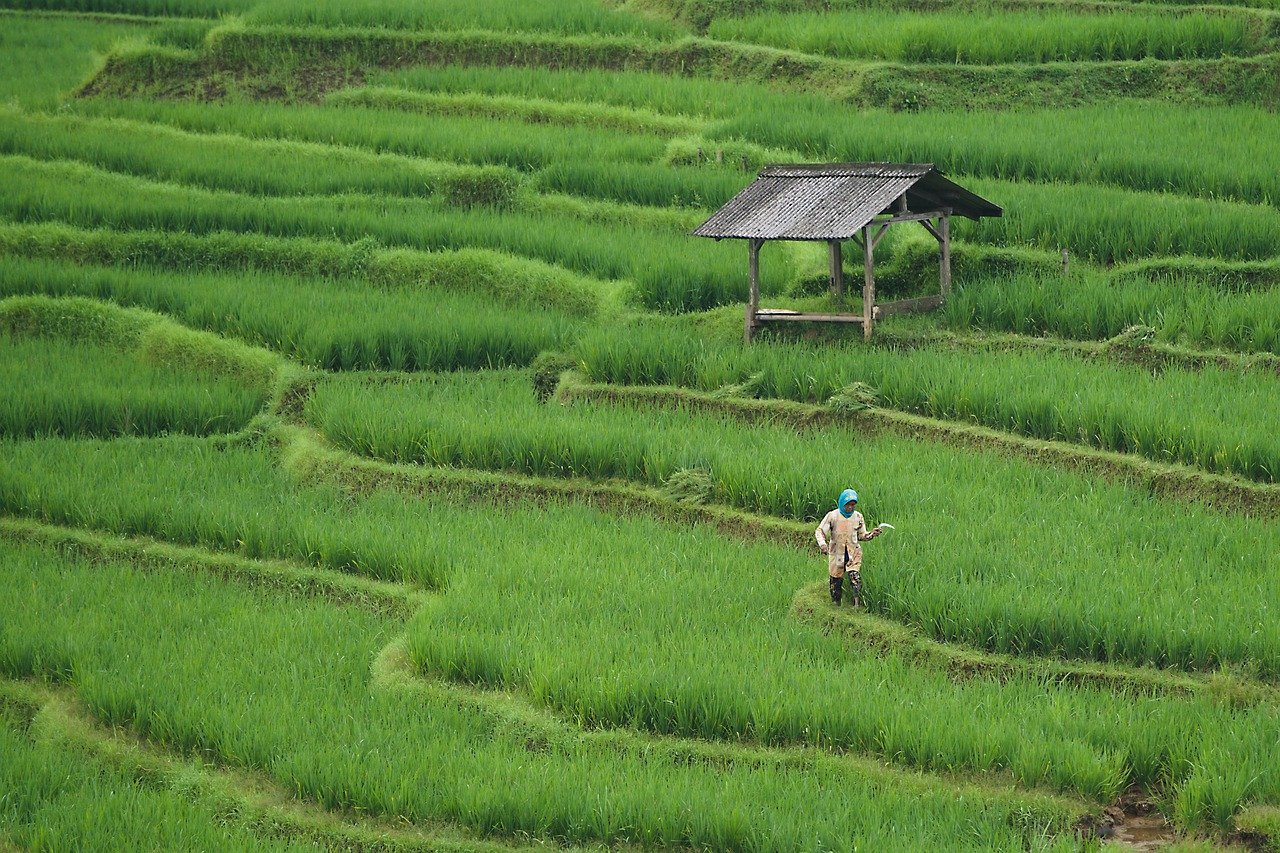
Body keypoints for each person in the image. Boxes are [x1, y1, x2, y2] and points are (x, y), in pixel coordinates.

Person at [815, 488, 881, 607]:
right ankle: (836, 604)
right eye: (848, 505)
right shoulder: (833, 516)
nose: (850, 508)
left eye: (853, 505)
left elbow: (862, 535)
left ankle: (856, 605)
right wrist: (823, 544)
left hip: (853, 552)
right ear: (842, 503)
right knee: (836, 580)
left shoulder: (858, 517)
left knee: (854, 577)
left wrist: (872, 534)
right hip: (837, 552)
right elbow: (820, 531)